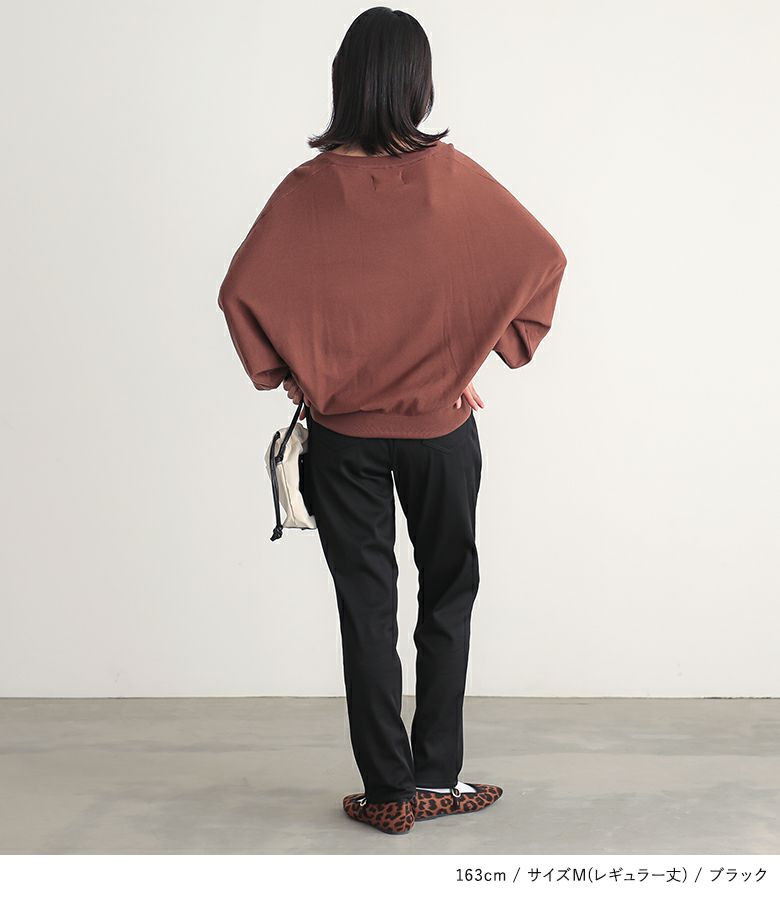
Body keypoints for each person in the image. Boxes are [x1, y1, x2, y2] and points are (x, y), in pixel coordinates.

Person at [217, 7, 566, 836]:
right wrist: (473, 359)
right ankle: (436, 775)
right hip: (442, 432)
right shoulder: (451, 177)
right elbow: (540, 260)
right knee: (448, 595)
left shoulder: (306, 190)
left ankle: (386, 791)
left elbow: (241, 292)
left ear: (345, 80)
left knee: (365, 608)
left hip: (343, 440)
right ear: (419, 83)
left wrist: (295, 375)